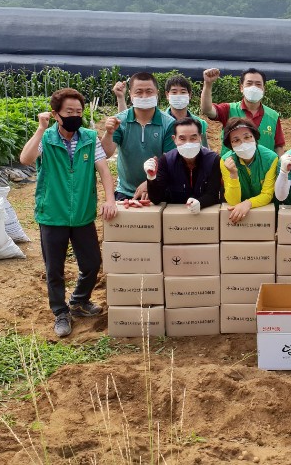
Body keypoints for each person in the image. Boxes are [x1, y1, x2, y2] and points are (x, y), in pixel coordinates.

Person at [19, 88, 117, 338]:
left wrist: (110, 199)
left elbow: (104, 170)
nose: (75, 116)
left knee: (92, 263)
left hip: (82, 213)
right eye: (69, 112)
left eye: (78, 111)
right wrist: (40, 129)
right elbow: (26, 159)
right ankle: (60, 312)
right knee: (55, 269)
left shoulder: (89, 138)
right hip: (53, 214)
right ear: (56, 114)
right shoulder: (47, 139)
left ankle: (79, 300)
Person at [102, 72, 175, 201]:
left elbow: (169, 161)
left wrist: (149, 182)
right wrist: (109, 133)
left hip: (158, 188)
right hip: (125, 191)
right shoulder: (120, 121)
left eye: (149, 91)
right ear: (130, 95)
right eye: (139, 92)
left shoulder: (169, 123)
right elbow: (106, 153)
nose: (144, 96)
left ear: (157, 94)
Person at [199, 68, 285, 155]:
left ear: (263, 89)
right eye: (249, 83)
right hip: (231, 163)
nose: (254, 87)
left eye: (258, 84)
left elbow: (279, 146)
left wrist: (281, 163)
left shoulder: (273, 116)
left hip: (265, 164)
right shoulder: (228, 109)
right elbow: (207, 109)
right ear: (241, 88)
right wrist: (208, 84)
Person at [144, 117, 222, 211]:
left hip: (205, 213)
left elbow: (213, 194)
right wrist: (151, 177)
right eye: (182, 139)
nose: (188, 143)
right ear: (174, 139)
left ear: (200, 138)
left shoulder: (213, 160)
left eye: (193, 138)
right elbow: (156, 199)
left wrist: (200, 203)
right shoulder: (166, 161)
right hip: (174, 214)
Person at [220, 117, 279, 223]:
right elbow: (233, 201)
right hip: (238, 215)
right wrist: (233, 174)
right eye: (236, 140)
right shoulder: (225, 161)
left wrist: (248, 203)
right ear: (231, 146)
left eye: (247, 137)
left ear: (255, 138)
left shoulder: (271, 159)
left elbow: (267, 194)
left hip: (264, 213)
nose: (243, 143)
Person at [158, 74, 209, 150]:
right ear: (167, 95)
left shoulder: (201, 123)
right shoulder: (159, 122)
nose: (178, 95)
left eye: (183, 92)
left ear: (189, 95)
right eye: (174, 92)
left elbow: (205, 149)